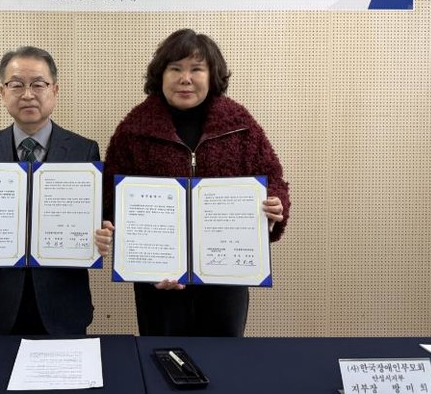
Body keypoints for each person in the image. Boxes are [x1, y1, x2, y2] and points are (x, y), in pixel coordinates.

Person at [102, 29, 290, 337]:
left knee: (222, 359)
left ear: (212, 75)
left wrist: (275, 206)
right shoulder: (133, 131)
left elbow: (274, 180)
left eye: (196, 69)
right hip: (158, 281)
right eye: (175, 68)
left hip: (226, 276)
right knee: (162, 357)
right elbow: (111, 199)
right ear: (160, 75)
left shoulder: (240, 126)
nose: (185, 79)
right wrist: (133, 252)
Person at [0, 46, 114, 335]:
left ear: (55, 90)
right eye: (17, 85)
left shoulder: (84, 150)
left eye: (38, 84)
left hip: (63, 302)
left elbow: (97, 218)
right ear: (2, 92)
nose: (28, 94)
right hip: (1, 305)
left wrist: (103, 233)